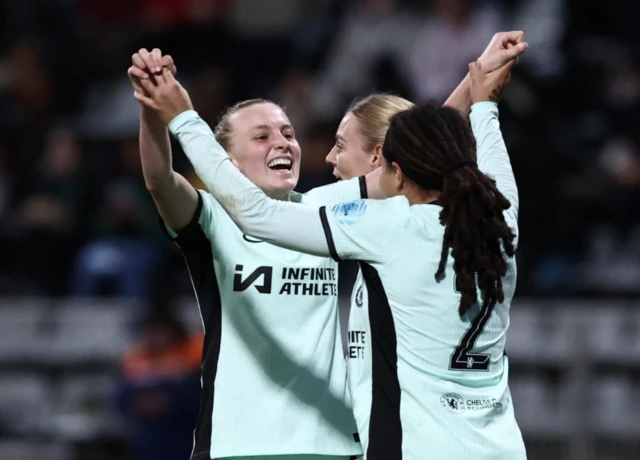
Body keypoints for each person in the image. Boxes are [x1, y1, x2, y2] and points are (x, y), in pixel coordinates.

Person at [129, 32, 527, 460]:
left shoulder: (343, 214)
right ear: (225, 157)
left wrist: (184, 119)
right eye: (262, 137)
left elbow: (415, 155)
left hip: (335, 444)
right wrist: (156, 112)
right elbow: (159, 181)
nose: (283, 142)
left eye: (287, 132)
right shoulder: (214, 217)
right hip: (238, 443)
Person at [116, 310, 203, 460]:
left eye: (159, 331)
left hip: (186, 436)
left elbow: (205, 396)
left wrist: (170, 401)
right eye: (149, 332)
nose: (154, 337)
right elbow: (119, 398)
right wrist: (134, 403)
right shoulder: (136, 359)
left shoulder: (195, 354)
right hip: (149, 442)